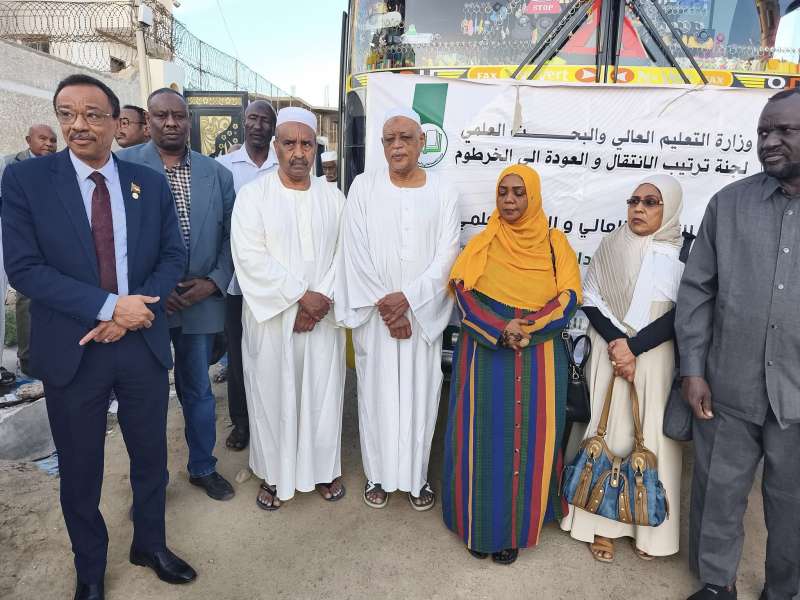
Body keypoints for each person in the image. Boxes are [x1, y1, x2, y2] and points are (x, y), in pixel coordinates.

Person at [1, 74, 192, 600]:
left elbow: (172, 255)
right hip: (75, 349)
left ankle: (150, 544)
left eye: (91, 114)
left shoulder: (146, 182)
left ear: (117, 122)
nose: (77, 125)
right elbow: (25, 269)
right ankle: (89, 568)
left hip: (140, 344)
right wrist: (109, 307)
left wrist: (134, 312)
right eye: (67, 113)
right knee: (81, 467)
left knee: (150, 457)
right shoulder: (27, 181)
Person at [677, 89, 800, 600]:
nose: (769, 142)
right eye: (763, 132)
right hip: (728, 385)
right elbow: (697, 291)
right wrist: (692, 369)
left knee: (792, 502)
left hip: (797, 395)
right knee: (718, 491)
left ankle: (784, 590)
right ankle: (716, 583)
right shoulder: (727, 205)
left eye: (784, 131)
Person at [442, 164, 581, 565]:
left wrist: (528, 328)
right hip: (486, 355)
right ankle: (477, 525)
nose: (510, 200)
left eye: (519, 192)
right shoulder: (483, 243)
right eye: (503, 192)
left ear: (532, 196)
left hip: (539, 357)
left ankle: (514, 533)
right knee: (481, 440)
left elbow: (569, 296)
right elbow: (463, 294)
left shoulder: (555, 243)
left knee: (529, 444)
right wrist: (500, 328)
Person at [336, 107, 460, 510]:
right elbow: (354, 250)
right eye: (389, 139)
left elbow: (448, 255)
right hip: (377, 319)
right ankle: (378, 476)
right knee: (376, 396)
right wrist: (388, 307)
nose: (397, 146)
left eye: (406, 137)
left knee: (421, 397)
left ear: (422, 142)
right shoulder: (363, 186)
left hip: (421, 318)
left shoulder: (444, 191)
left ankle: (416, 479)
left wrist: (408, 300)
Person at [560, 175, 685, 563]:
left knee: (650, 435)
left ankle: (648, 529)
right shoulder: (612, 243)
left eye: (650, 202)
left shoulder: (684, 250)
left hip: (655, 355)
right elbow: (590, 298)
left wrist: (635, 348)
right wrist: (620, 345)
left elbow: (684, 310)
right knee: (608, 430)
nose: (639, 209)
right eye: (634, 201)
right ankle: (602, 525)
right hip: (609, 350)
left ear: (669, 208)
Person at [119, 88, 236, 502]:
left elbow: (232, 236)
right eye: (161, 115)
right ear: (146, 121)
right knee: (145, 397)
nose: (171, 122)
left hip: (200, 300)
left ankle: (203, 467)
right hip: (145, 304)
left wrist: (215, 281)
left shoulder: (216, 174)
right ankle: (151, 484)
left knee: (198, 391)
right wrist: (154, 288)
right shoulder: (124, 167)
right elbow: (115, 239)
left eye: (179, 115)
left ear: (189, 120)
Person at [231, 106, 346, 509]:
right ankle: (274, 475)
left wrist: (318, 301)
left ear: (316, 148)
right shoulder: (253, 196)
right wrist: (300, 297)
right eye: (289, 143)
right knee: (272, 396)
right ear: (275, 146)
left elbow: (345, 255)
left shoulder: (334, 198)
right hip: (273, 321)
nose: (298, 152)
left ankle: (323, 470)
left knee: (321, 395)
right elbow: (249, 257)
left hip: (322, 319)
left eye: (307, 144)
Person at [216, 100, 278, 451]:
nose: (258, 125)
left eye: (265, 120)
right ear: (243, 121)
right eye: (252, 118)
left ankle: (273, 420)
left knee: (272, 354)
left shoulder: (282, 164)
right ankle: (242, 422)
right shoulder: (224, 167)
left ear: (273, 127)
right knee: (239, 355)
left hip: (275, 283)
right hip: (236, 282)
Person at [1, 124, 57, 379]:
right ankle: (28, 359)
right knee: (27, 298)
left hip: (53, 239)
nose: (49, 144)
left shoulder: (58, 165)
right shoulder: (10, 165)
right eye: (43, 139)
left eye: (52, 140)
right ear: (28, 140)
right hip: (25, 241)